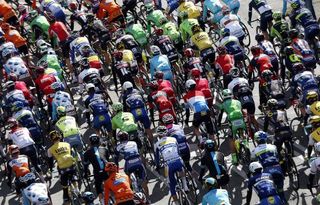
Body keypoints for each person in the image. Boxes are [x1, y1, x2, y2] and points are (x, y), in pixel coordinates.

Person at [154, 126, 189, 205]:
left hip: (168, 165)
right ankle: (185, 185)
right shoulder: (173, 139)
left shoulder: (156, 144)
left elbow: (157, 158)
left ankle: (176, 202)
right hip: (178, 161)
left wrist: (158, 166)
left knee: (171, 185)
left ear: (158, 135)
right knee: (180, 165)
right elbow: (178, 151)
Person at [251, 131, 285, 203]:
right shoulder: (273, 146)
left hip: (266, 171)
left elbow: (252, 160)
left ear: (256, 141)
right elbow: (277, 155)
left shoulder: (255, 150)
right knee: (280, 190)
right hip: (278, 169)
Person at [47, 130, 79, 204]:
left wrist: (50, 170)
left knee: (64, 184)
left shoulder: (50, 149)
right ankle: (77, 190)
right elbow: (71, 153)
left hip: (62, 168)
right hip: (71, 164)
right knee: (73, 175)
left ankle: (66, 197)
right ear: (60, 137)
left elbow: (50, 162)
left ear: (51, 139)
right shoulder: (67, 144)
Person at [115, 131, 149, 197]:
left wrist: (117, 170)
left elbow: (116, 159)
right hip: (138, 161)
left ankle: (131, 190)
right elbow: (139, 151)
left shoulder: (118, 147)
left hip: (129, 163)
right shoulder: (134, 142)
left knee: (126, 177)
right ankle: (148, 198)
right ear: (127, 137)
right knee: (144, 180)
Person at [183, 79, 215, 145]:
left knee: (195, 127)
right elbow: (205, 102)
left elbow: (186, 107)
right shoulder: (201, 92)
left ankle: (201, 140)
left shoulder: (186, 96)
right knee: (210, 129)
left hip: (198, 113)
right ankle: (214, 142)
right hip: (206, 110)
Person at [83, 134, 109, 203]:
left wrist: (85, 174)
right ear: (98, 141)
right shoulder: (105, 149)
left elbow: (85, 165)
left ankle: (102, 201)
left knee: (98, 187)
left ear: (90, 142)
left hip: (97, 172)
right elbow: (107, 160)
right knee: (110, 184)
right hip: (106, 170)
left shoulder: (87, 152)